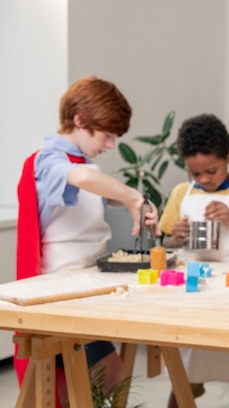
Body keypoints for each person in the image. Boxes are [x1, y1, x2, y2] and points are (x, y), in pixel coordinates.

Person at [15, 75, 160, 407]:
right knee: (108, 372)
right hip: (57, 291)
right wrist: (131, 196)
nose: (110, 144)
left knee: (99, 375)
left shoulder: (82, 164)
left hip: (85, 283)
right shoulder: (48, 160)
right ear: (80, 121)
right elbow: (79, 180)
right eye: (107, 135)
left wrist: (125, 201)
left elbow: (85, 191)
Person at [158, 113, 229, 408]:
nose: (205, 179)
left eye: (212, 170)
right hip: (193, 291)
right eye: (196, 174)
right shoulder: (180, 193)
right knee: (185, 371)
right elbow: (165, 242)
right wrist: (177, 236)